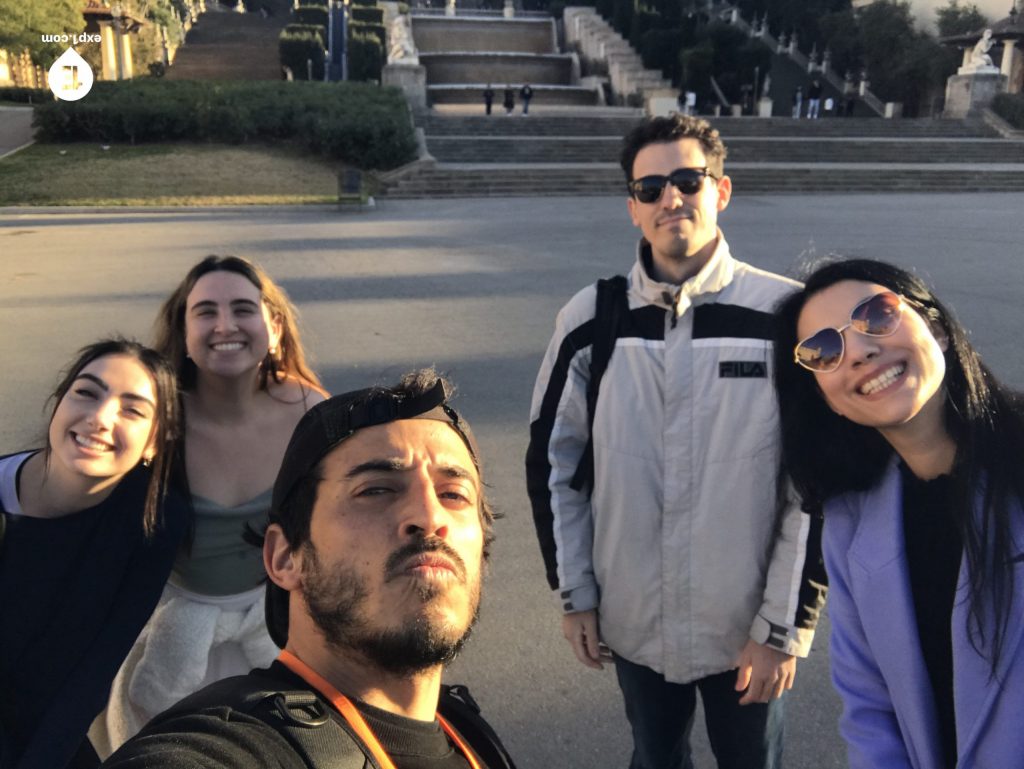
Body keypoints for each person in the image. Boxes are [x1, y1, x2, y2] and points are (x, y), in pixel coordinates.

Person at [526, 113, 825, 769]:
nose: (671, 199)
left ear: (721, 190)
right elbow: (554, 463)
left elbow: (814, 487)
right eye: (650, 187)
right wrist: (575, 593)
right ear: (632, 207)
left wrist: (783, 628)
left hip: (745, 625)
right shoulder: (590, 319)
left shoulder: (786, 316)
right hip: (635, 622)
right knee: (654, 757)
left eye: (688, 180)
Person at [102, 370, 515, 769]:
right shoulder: (233, 744)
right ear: (284, 557)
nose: (428, 514)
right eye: (375, 489)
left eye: (454, 494)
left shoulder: (470, 734)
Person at [774, 259, 1024, 769]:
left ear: (937, 328)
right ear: (826, 399)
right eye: (824, 350)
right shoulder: (849, 525)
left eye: (878, 315)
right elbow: (870, 709)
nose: (861, 352)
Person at [94, 256, 327, 755]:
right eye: (205, 312)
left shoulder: (310, 411)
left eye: (243, 308)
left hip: (282, 633)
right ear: (183, 328)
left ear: (275, 325)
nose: (225, 326)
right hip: (172, 635)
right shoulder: (153, 417)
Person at [0, 339, 187, 769]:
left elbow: (94, 671)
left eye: (132, 409)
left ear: (155, 441)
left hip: (48, 737)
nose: (100, 418)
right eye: (86, 392)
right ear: (58, 402)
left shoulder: (154, 518)